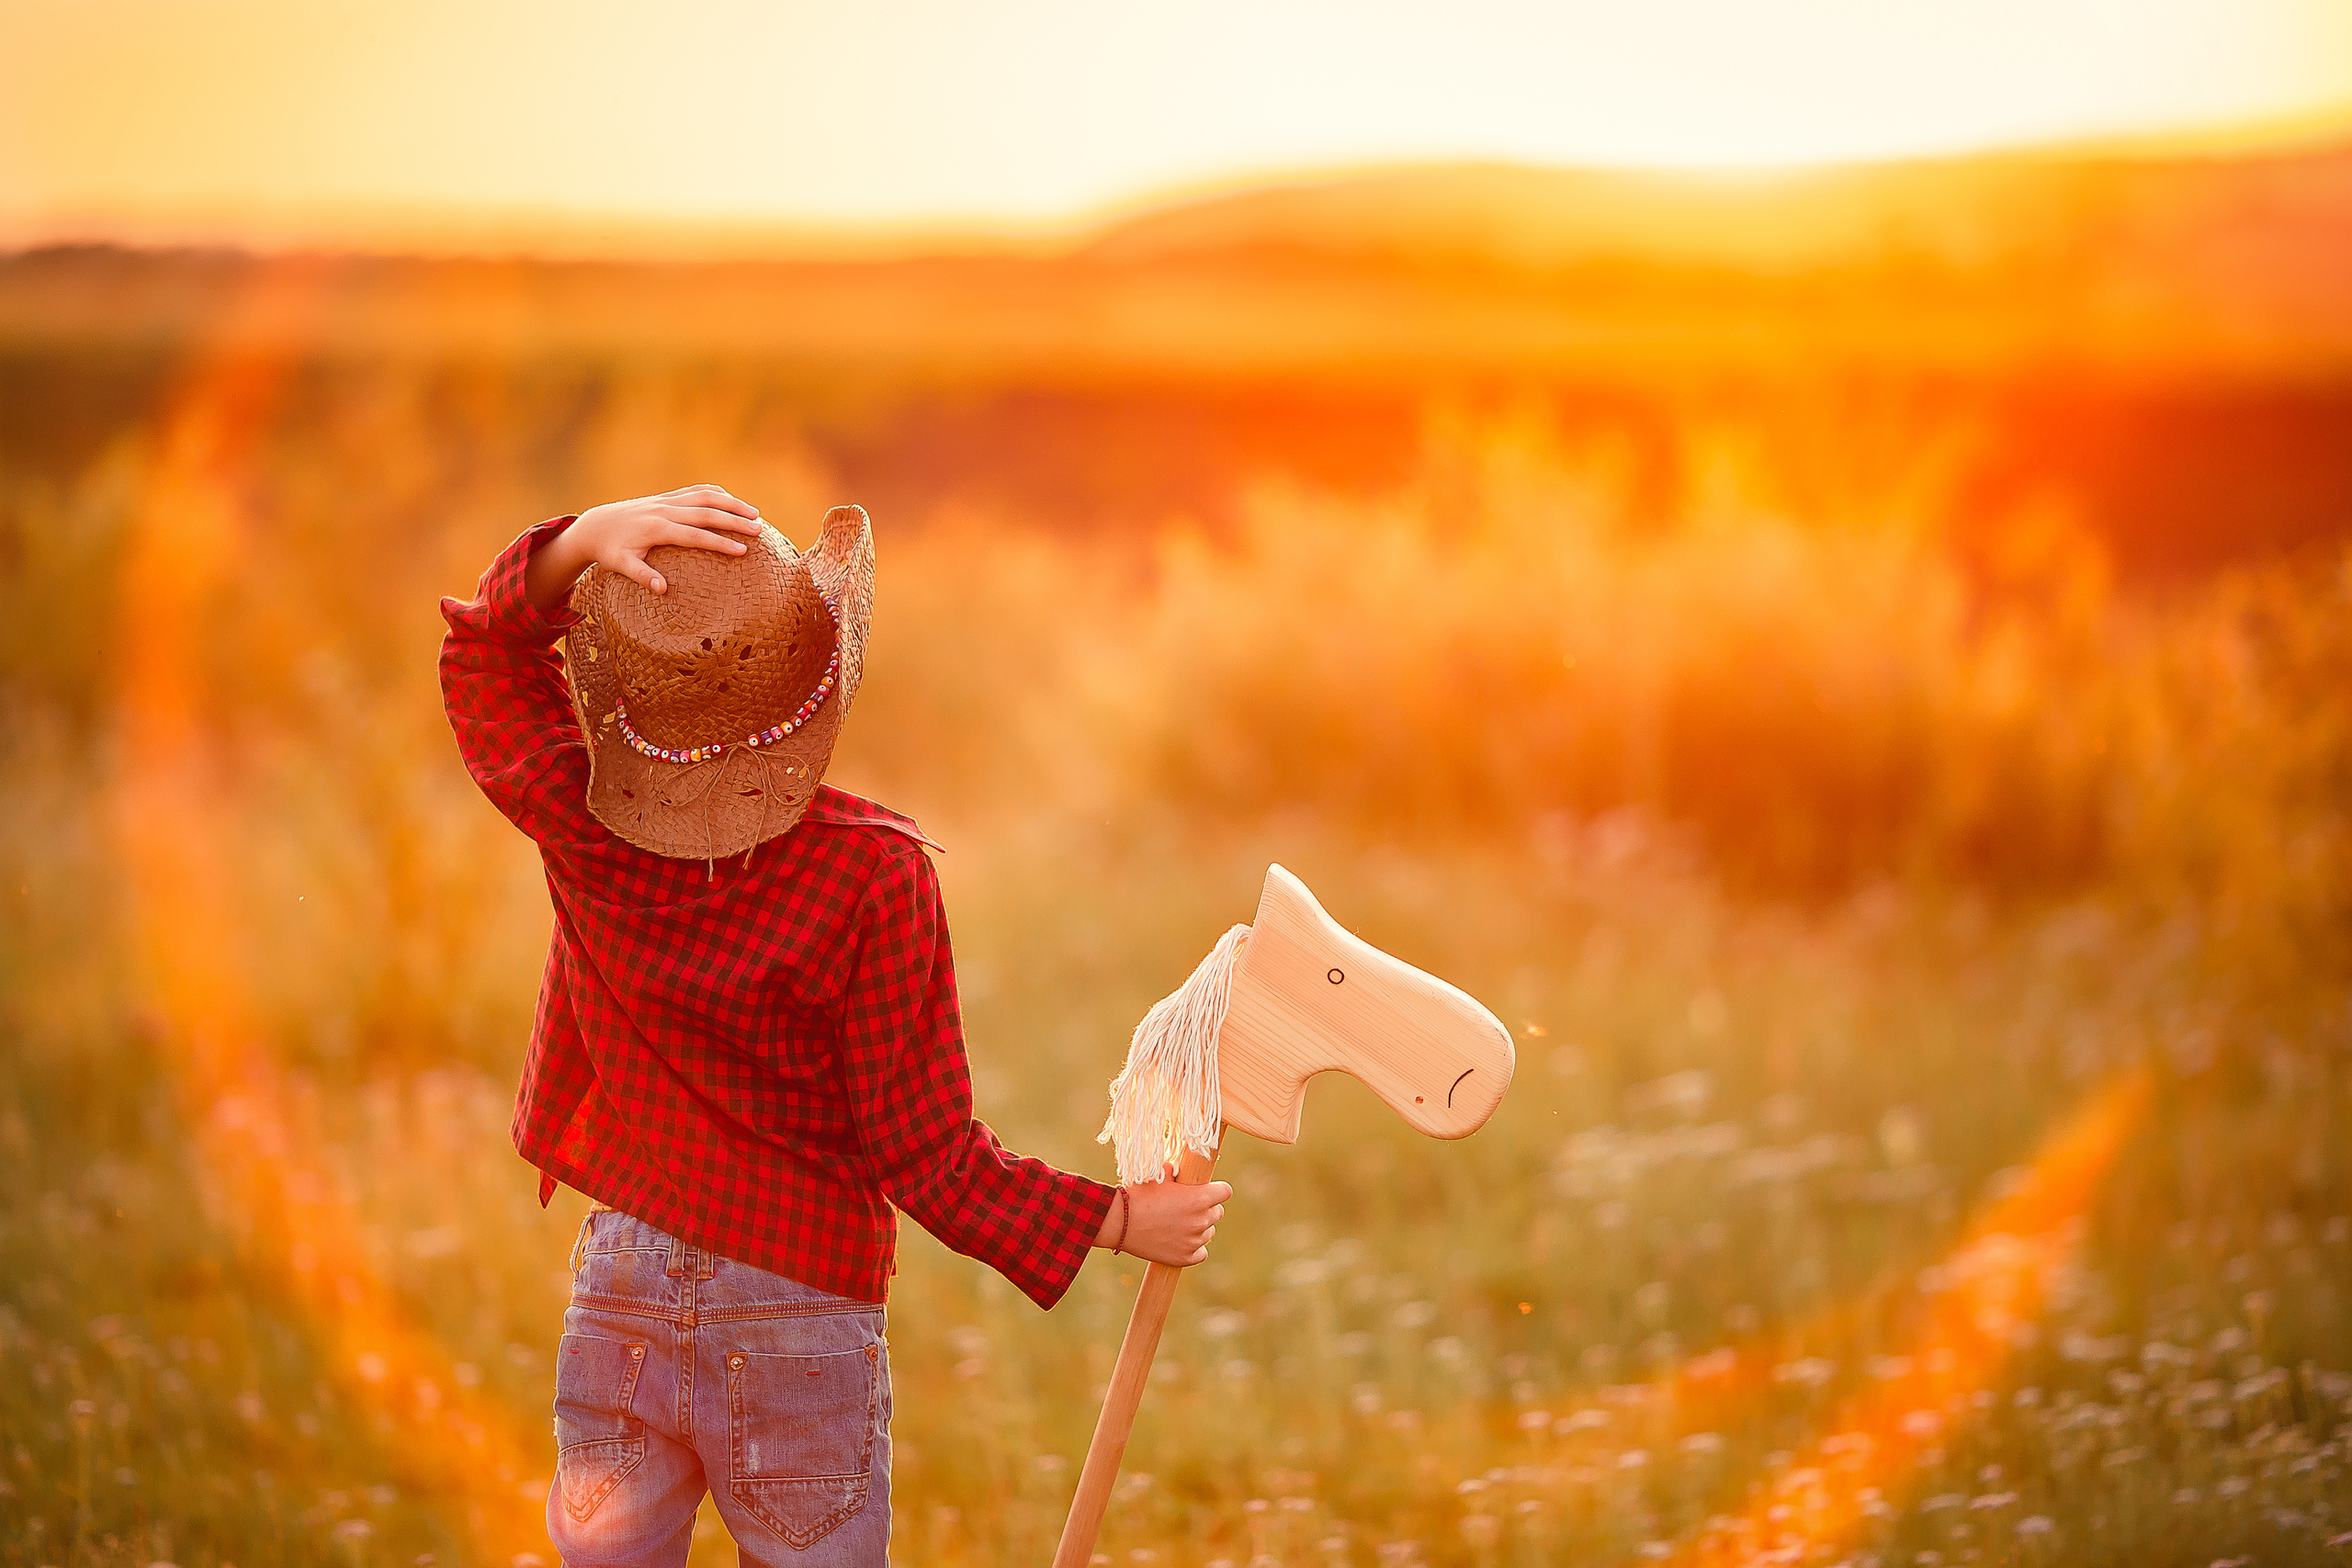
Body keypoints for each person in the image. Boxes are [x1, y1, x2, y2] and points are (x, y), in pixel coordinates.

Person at [438, 485, 1230, 1568]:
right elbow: (928, 1155)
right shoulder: (871, 872)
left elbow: (485, 665)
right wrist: (1118, 1218)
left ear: (632, 694)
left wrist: (576, 544)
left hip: (619, 1283)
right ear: (819, 681)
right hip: (796, 1307)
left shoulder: (585, 824)